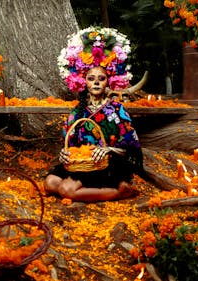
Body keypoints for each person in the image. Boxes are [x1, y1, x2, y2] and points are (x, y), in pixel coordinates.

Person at [44, 27, 143, 202]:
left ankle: (119, 192)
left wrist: (107, 150)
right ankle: (87, 188)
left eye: (101, 78)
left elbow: (131, 148)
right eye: (91, 79)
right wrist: (64, 155)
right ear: (84, 82)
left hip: (108, 163)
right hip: (82, 164)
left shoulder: (117, 110)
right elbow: (69, 145)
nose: (96, 82)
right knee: (50, 183)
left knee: (66, 190)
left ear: (109, 82)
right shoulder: (77, 112)